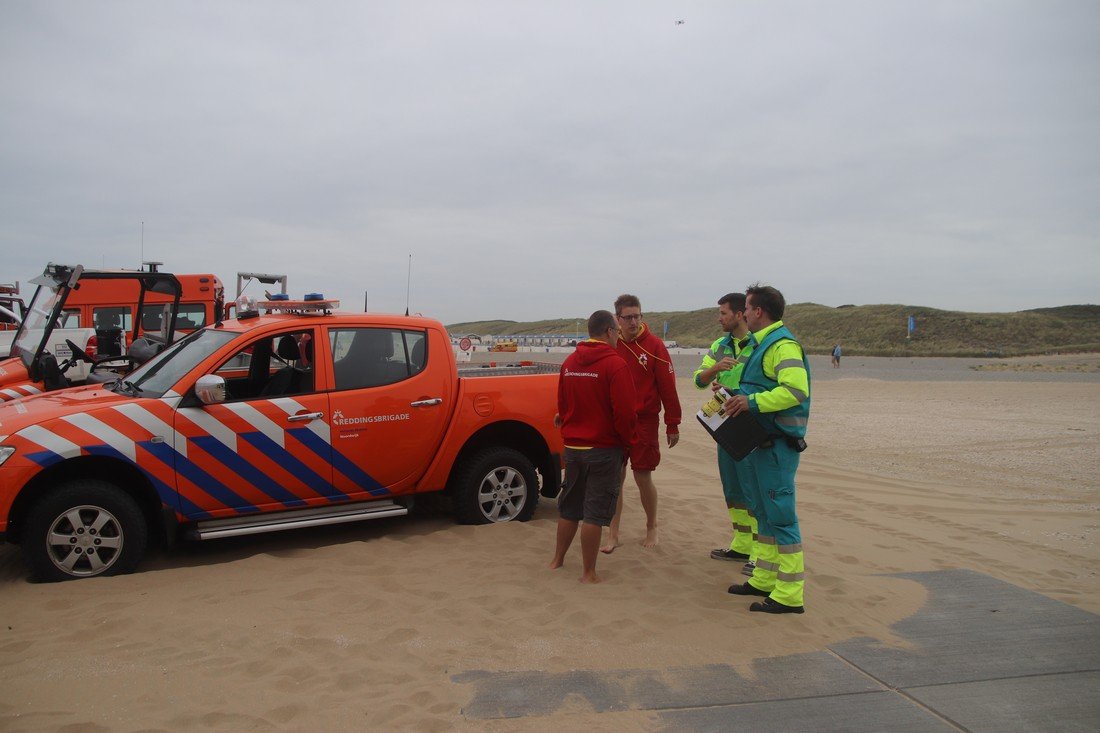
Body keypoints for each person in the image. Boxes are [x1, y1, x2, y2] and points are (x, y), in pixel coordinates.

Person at [724, 284, 811, 614]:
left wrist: (751, 401)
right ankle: (763, 578)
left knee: (781, 516)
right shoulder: (762, 345)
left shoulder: (782, 345)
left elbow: (795, 390)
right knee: (762, 513)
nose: (744, 313)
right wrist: (734, 393)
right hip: (760, 444)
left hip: (777, 446)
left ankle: (789, 595)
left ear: (758, 311)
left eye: (746, 307)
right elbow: (761, 386)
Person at [548, 310, 637, 584]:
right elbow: (625, 413)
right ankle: (588, 572)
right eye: (617, 332)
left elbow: (562, 405)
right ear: (610, 331)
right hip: (602, 447)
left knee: (570, 507)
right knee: (595, 513)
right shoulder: (616, 365)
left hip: (574, 446)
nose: (619, 337)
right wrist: (627, 444)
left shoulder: (570, 361)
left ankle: (557, 560)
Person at [601, 294, 682, 551]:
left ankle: (651, 526)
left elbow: (668, 387)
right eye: (628, 317)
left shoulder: (655, 346)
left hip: (644, 420)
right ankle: (613, 532)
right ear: (618, 319)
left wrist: (673, 422)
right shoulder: (611, 344)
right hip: (614, 420)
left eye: (637, 316)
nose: (633, 321)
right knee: (616, 476)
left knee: (642, 475)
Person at [692, 293, 758, 576]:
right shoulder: (719, 346)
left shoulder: (758, 344)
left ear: (740, 314)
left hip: (749, 421)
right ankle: (742, 543)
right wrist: (714, 372)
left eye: (723, 313)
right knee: (731, 486)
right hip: (722, 422)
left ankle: (760, 550)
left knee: (752, 487)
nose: (719, 318)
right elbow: (698, 379)